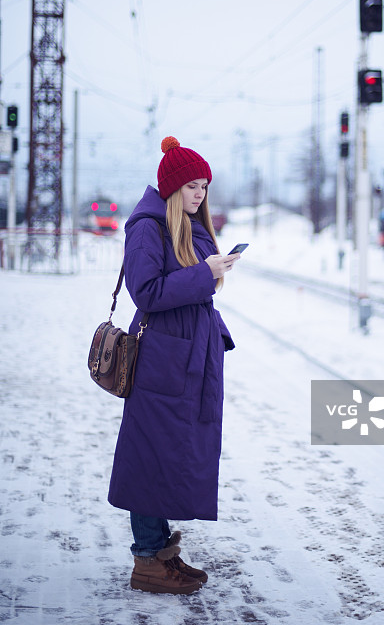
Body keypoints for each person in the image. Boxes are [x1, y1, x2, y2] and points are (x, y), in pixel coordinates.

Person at [108, 136, 241, 595]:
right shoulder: (147, 227)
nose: (200, 194)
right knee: (149, 455)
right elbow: (147, 292)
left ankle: (160, 551)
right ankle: (147, 559)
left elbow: (189, 289)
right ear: (171, 187)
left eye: (204, 185)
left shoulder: (188, 223)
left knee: (166, 454)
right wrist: (207, 273)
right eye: (191, 186)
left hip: (185, 355)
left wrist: (212, 304)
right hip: (161, 359)